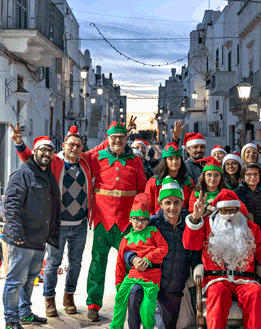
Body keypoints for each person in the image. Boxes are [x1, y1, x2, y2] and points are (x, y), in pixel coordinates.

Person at [9, 124, 111, 317]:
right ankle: (49, 298)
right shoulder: (54, 162)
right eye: (71, 144)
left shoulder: (86, 161)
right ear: (64, 145)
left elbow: (103, 146)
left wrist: (118, 134)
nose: (75, 148)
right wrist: (20, 144)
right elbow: (31, 158)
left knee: (76, 262)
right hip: (58, 224)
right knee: (53, 263)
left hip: (80, 224)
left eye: (79, 145)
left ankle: (69, 296)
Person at [183, 189, 261, 329]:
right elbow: (190, 244)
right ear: (217, 211)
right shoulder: (206, 226)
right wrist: (195, 218)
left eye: (233, 210)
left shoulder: (251, 228)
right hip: (217, 280)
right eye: (224, 211)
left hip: (246, 280)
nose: (229, 215)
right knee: (217, 294)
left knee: (256, 292)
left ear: (238, 209)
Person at [86, 121, 147, 321]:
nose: (118, 140)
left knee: (127, 265)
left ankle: (128, 300)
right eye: (113, 137)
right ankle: (93, 303)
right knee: (97, 263)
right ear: (108, 139)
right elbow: (81, 159)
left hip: (126, 222)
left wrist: (140, 218)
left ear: (126, 138)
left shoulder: (135, 161)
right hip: (103, 220)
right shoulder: (97, 158)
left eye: (121, 137)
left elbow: (142, 191)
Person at [3, 136, 60, 328]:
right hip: (22, 239)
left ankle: (25, 313)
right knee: (15, 281)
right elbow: (10, 205)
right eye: (43, 149)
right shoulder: (23, 173)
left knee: (29, 280)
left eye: (50, 151)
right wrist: (17, 235)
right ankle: (11, 319)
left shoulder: (47, 174)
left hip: (39, 239)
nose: (47, 154)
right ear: (35, 151)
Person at [127, 182, 199, 329]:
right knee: (134, 291)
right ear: (160, 203)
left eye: (176, 202)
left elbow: (196, 252)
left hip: (172, 289)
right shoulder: (151, 223)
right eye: (167, 203)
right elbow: (127, 248)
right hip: (149, 282)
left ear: (182, 202)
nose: (172, 207)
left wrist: (197, 268)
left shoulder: (189, 223)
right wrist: (133, 258)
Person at [111, 196, 168, 329]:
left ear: (148, 221)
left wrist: (148, 258)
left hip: (151, 277)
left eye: (143, 220)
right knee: (120, 299)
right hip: (132, 276)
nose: (139, 223)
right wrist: (119, 283)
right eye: (136, 219)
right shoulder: (126, 238)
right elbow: (120, 262)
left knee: (147, 310)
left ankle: (148, 327)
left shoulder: (153, 232)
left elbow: (163, 248)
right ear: (131, 219)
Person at [145, 142, 193, 214]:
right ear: (165, 161)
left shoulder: (188, 181)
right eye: (171, 159)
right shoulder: (154, 182)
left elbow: (191, 205)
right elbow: (148, 206)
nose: (174, 162)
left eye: (177, 158)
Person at [235, 163, 261, 233]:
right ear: (243, 176)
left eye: (255, 174)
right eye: (249, 175)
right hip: (242, 232)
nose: (252, 177)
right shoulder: (237, 193)